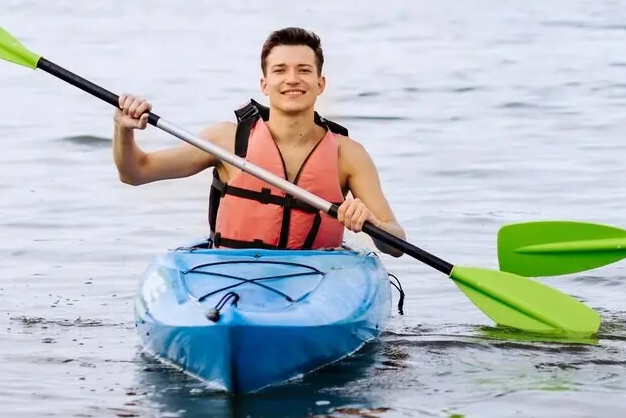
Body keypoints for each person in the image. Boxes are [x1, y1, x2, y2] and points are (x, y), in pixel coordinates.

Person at [112, 27, 406, 256]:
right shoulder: (226, 141)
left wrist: (374, 225)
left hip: (316, 276)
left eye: (304, 70)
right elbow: (135, 172)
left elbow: (397, 243)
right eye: (280, 70)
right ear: (264, 84)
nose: (292, 79)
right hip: (232, 272)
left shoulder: (348, 154)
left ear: (320, 84)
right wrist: (123, 129)